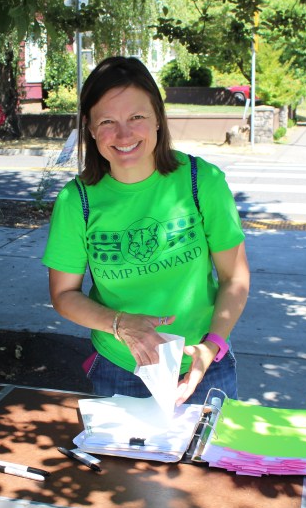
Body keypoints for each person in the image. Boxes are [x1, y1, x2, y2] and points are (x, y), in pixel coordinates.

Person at [42, 56, 249, 405]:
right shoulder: (76, 201)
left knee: (209, 461)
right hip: (120, 368)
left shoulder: (203, 182)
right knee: (120, 463)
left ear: (158, 119)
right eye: (107, 121)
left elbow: (235, 279)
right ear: (90, 129)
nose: (124, 134)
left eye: (136, 117)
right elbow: (64, 295)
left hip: (203, 365)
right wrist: (120, 323)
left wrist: (211, 347)